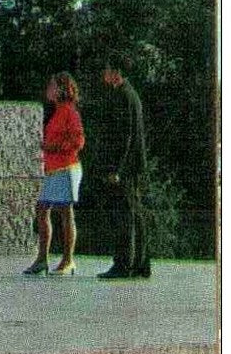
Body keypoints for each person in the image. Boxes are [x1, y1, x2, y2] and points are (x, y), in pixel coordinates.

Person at [24, 72, 85, 276]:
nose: (48, 90)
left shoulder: (69, 112)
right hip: (53, 169)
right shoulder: (58, 112)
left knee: (65, 211)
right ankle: (42, 259)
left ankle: (68, 260)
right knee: (42, 209)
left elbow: (78, 141)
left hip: (66, 168)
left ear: (61, 89)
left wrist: (54, 147)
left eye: (52, 86)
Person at [97, 64, 149, 280]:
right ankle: (140, 264)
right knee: (134, 213)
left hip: (125, 168)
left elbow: (125, 135)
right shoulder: (131, 94)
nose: (104, 74)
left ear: (116, 73)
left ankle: (123, 264)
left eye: (107, 70)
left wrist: (117, 169)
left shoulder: (123, 96)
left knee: (123, 215)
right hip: (132, 166)